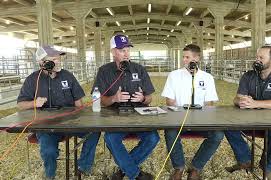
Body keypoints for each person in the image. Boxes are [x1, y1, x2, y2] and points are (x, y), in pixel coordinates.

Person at [17, 46, 100, 180]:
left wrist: (82, 117)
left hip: (71, 122)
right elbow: (20, 104)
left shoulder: (67, 75)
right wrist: (34, 103)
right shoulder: (33, 79)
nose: (59, 61)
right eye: (54, 59)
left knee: (94, 131)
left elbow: (79, 102)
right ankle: (50, 175)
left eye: (59, 58)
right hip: (46, 126)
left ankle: (84, 166)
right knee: (49, 151)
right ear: (42, 63)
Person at [93, 34, 159, 180]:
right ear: (113, 51)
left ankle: (124, 170)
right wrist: (114, 98)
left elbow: (150, 97)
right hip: (114, 117)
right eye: (122, 50)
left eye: (128, 49)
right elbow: (100, 100)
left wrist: (143, 98)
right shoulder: (104, 71)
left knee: (153, 138)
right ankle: (135, 174)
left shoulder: (139, 69)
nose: (126, 53)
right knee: (110, 138)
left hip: (138, 115)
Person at [224, 45, 271, 179]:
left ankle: (266, 167)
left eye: (261, 57)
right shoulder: (248, 75)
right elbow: (236, 98)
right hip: (249, 119)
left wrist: (255, 103)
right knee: (226, 125)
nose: (257, 60)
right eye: (256, 57)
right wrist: (241, 100)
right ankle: (245, 160)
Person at [161, 44, 224, 180]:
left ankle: (196, 167)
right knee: (170, 132)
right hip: (179, 120)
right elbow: (169, 101)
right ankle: (179, 167)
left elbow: (209, 104)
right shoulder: (174, 75)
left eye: (187, 57)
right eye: (183, 57)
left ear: (197, 58)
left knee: (218, 134)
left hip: (201, 121)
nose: (184, 60)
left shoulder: (207, 77)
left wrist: (201, 117)